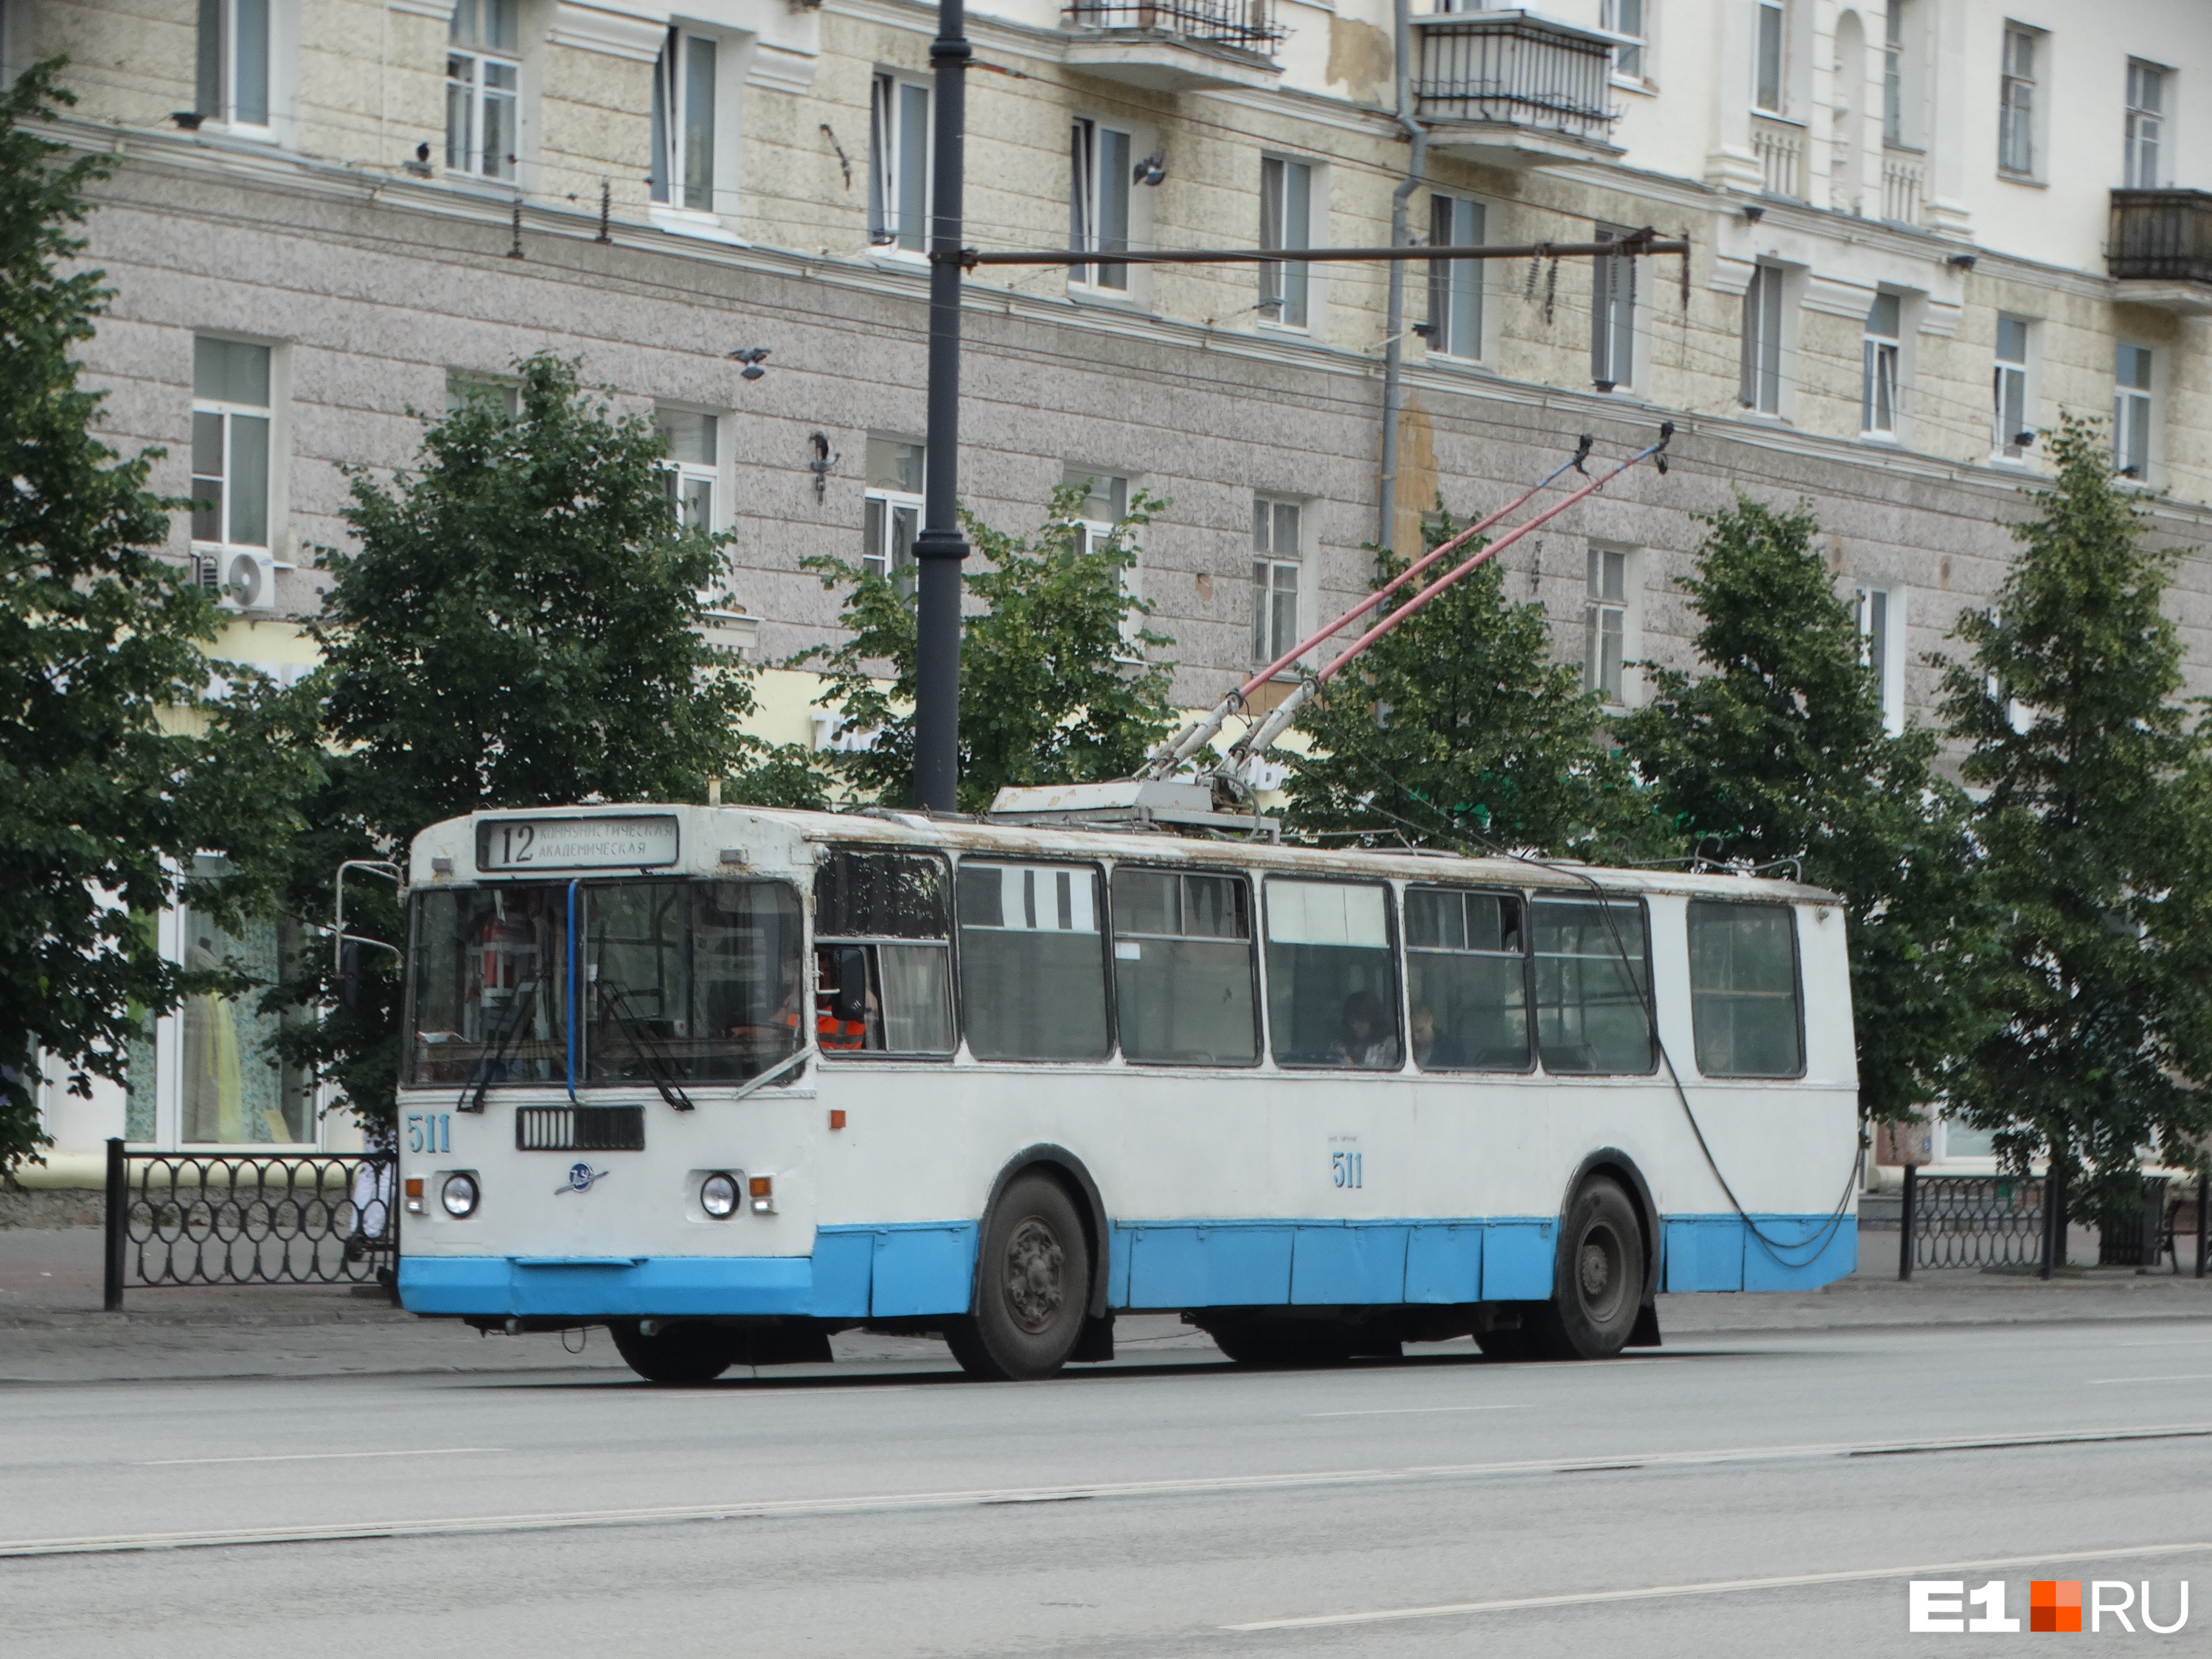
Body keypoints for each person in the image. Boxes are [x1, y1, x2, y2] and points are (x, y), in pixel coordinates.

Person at [1333, 990, 1394, 1068]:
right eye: (1351, 1021)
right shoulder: (1340, 1045)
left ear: (1373, 1019)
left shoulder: (1390, 1047)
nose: (1355, 1026)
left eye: (1361, 1020)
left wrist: (1354, 1068)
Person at [1409, 1002, 1466, 1069]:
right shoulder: (1400, 1051)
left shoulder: (1453, 1051)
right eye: (1411, 1033)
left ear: (1430, 1020)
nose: (1416, 1037)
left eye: (1420, 1030)